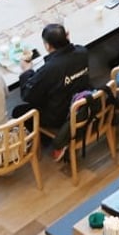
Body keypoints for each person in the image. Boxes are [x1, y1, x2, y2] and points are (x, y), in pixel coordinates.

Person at [13, 24, 90, 162]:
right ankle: (60, 136)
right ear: (66, 37)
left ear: (47, 46)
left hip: (59, 114)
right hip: (80, 103)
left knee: (18, 112)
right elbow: (75, 49)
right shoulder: (82, 52)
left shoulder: (50, 69)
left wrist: (26, 71)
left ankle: (50, 139)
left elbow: (27, 95)